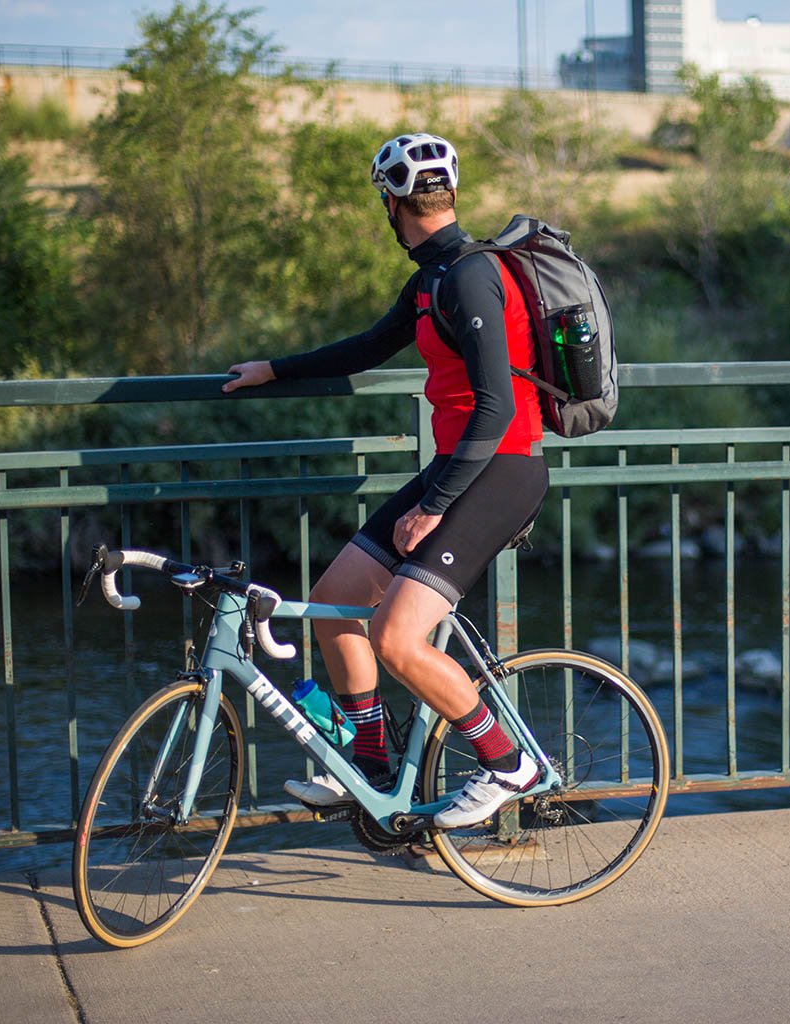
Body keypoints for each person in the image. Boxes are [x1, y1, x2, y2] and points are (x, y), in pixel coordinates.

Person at [223, 132, 548, 828]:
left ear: (392, 203)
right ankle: (368, 766)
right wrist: (274, 369)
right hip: (459, 467)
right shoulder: (430, 279)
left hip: (502, 472)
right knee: (337, 600)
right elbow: (370, 346)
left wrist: (433, 506)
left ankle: (508, 765)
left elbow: (498, 406)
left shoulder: (469, 275)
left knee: (396, 637)